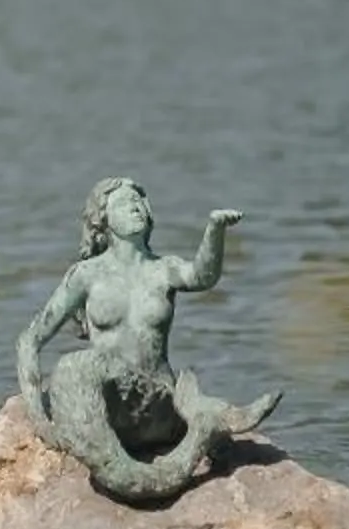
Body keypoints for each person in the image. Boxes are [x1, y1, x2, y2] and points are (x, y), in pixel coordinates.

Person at [15, 177, 280, 505]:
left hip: (160, 409)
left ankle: (202, 425)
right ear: (103, 220)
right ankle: (202, 428)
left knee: (77, 367)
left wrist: (215, 230)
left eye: (139, 202)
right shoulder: (86, 275)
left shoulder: (163, 269)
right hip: (113, 411)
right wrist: (39, 419)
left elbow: (202, 276)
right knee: (76, 366)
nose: (136, 207)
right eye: (124, 203)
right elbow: (30, 340)